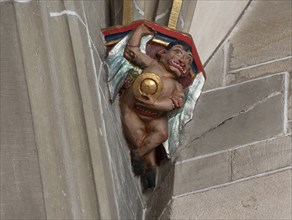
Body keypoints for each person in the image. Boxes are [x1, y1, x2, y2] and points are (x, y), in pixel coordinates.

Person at [119, 22, 194, 190]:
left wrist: (156, 104)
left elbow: (175, 103)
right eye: (178, 53)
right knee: (139, 138)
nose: (183, 60)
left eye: (188, 61)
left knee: (162, 133)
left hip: (154, 116)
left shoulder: (177, 87)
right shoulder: (152, 65)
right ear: (162, 53)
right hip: (133, 109)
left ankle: (138, 155)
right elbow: (132, 52)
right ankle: (147, 165)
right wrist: (139, 31)